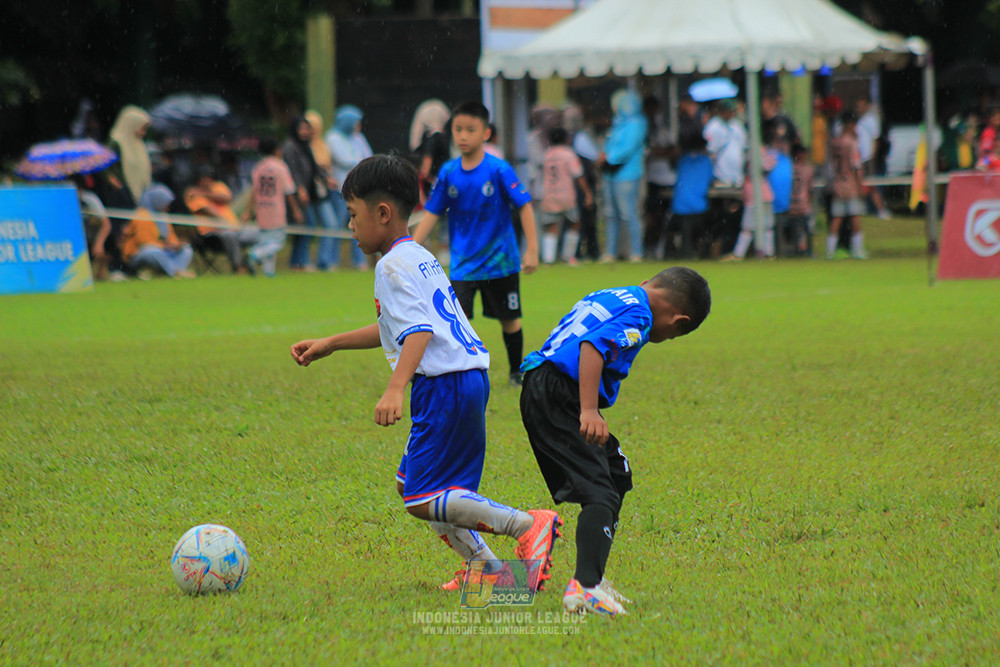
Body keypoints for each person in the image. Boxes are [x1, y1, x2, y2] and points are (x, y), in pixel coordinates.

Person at [290, 154, 562, 594]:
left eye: (354, 216)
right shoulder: (418, 255)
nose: (350, 227)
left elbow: (418, 329)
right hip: (464, 379)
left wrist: (395, 389)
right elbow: (396, 327)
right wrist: (332, 343)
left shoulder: (390, 265)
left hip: (444, 385)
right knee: (412, 485)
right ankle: (490, 572)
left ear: (383, 213)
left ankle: (529, 525)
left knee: (421, 499)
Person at [519, 266, 711, 616]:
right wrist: (589, 410)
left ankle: (594, 575)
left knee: (615, 473)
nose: (664, 337)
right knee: (600, 491)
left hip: (554, 387)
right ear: (677, 319)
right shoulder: (640, 316)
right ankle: (585, 588)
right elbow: (592, 347)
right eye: (672, 335)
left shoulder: (619, 294)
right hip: (558, 393)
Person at [413, 101, 539, 387]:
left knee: (509, 320)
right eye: (458, 129)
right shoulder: (448, 172)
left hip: (500, 262)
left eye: (471, 129)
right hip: (463, 266)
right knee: (451, 322)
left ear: (486, 132)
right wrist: (410, 246)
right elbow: (432, 211)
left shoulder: (498, 169)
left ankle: (515, 372)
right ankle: (454, 374)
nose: (463, 136)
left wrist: (532, 249)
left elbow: (525, 206)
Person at [596, 89, 648, 263]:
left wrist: (608, 157)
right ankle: (610, 252)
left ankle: (636, 252)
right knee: (610, 214)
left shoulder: (637, 123)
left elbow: (628, 147)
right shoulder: (618, 124)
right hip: (610, 174)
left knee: (629, 213)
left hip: (627, 173)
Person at [282, 115, 337, 272]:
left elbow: (313, 167)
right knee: (306, 227)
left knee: (316, 226)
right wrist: (299, 188)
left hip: (314, 193)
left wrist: (326, 179)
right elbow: (292, 170)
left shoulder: (306, 146)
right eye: (302, 128)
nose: (305, 132)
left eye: (307, 128)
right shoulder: (290, 147)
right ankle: (299, 262)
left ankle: (315, 261)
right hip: (300, 195)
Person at [242, 138, 303, 277]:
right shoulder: (280, 166)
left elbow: (253, 191)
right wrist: (295, 210)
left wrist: (247, 211)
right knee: (278, 242)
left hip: (261, 209)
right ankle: (255, 254)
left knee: (266, 240)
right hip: (276, 210)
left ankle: (269, 272)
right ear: (276, 150)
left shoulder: (258, 167)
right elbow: (289, 191)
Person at [184, 167, 259, 274]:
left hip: (235, 229)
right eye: (203, 179)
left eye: (209, 178)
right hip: (212, 236)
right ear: (198, 181)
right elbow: (210, 212)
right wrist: (224, 222)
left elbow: (226, 198)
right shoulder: (192, 194)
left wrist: (203, 193)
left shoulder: (218, 186)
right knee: (229, 235)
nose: (207, 182)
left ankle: (252, 258)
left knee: (258, 233)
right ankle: (238, 267)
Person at [325, 105, 373, 270]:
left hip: (358, 190)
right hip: (340, 190)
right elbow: (344, 159)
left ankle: (359, 261)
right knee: (337, 226)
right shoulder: (332, 137)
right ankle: (332, 261)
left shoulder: (358, 137)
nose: (358, 126)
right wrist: (361, 161)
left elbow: (369, 156)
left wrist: (360, 161)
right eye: (355, 122)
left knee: (360, 225)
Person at [539, 127, 592, 265]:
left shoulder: (547, 154)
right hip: (566, 195)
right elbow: (578, 175)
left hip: (549, 194)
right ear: (566, 139)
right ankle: (569, 256)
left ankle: (548, 259)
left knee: (551, 226)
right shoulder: (568, 153)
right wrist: (587, 193)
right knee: (574, 223)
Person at [119, 185, 195, 279]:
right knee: (153, 251)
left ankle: (176, 270)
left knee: (186, 250)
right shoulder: (142, 215)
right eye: (165, 203)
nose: (167, 207)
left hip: (163, 250)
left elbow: (172, 238)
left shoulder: (163, 217)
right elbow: (144, 243)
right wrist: (167, 246)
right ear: (157, 200)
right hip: (139, 253)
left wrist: (177, 245)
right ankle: (174, 273)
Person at [305, 110, 343, 270]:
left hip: (324, 192)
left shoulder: (322, 144)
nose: (311, 130)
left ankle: (324, 261)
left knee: (331, 225)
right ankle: (303, 262)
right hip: (309, 191)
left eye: (313, 126)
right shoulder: (304, 147)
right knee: (309, 227)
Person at [827, 110, 867, 260]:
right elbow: (856, 166)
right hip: (850, 184)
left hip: (837, 184)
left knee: (836, 218)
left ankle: (829, 251)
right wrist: (860, 186)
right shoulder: (851, 143)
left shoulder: (834, 142)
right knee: (855, 217)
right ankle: (858, 250)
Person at [669, 134, 714, 259]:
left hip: (679, 205)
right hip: (699, 206)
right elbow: (710, 178)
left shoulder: (682, 160)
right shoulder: (705, 161)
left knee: (685, 230)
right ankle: (705, 252)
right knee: (711, 221)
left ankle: (685, 252)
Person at [642, 95, 677, 259]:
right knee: (651, 218)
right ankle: (649, 248)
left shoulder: (662, 130)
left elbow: (675, 151)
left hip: (665, 179)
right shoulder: (641, 129)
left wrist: (657, 152)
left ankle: (659, 250)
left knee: (663, 218)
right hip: (649, 180)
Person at [105, 105, 152, 208]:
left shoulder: (139, 143)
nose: (144, 133)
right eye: (142, 128)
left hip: (138, 196)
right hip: (121, 196)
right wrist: (118, 185)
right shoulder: (116, 143)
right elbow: (107, 168)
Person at [855, 96, 890, 219]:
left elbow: (876, 140)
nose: (858, 108)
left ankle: (882, 210)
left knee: (872, 185)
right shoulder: (857, 121)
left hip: (867, 158)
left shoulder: (871, 120)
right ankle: (862, 209)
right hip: (858, 158)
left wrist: (872, 157)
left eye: (861, 105)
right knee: (859, 185)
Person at [786, 143, 815, 256]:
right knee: (807, 230)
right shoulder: (808, 169)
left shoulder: (789, 168)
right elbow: (810, 189)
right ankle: (807, 251)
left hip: (790, 204)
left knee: (795, 231)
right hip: (803, 205)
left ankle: (795, 251)